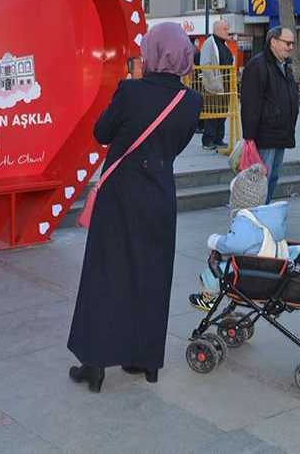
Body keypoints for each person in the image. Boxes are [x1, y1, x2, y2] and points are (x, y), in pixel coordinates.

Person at [68, 22, 202, 392]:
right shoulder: (191, 101)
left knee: (106, 275)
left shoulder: (130, 92)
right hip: (159, 195)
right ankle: (145, 360)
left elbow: (101, 133)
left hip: (120, 196)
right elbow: (174, 146)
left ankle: (94, 364)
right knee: (152, 275)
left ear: (152, 52)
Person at [240, 26, 299, 204]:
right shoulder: (258, 65)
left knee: (272, 178)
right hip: (265, 135)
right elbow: (250, 103)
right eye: (287, 43)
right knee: (261, 181)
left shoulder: (284, 66)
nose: (290, 47)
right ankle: (256, 217)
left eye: (292, 44)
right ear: (273, 41)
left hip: (281, 132)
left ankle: (263, 213)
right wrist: (249, 137)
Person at [199, 20, 235, 150]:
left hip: (224, 84)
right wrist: (213, 83)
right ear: (218, 30)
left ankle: (218, 139)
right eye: (225, 29)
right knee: (212, 113)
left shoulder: (223, 44)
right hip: (214, 85)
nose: (228, 31)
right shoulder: (210, 43)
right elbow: (205, 64)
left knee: (222, 113)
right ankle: (208, 140)